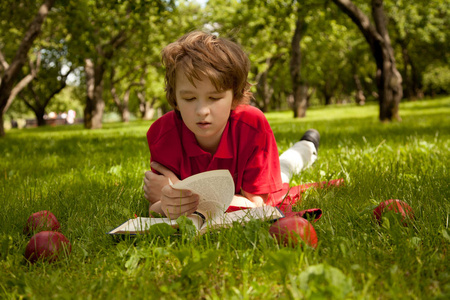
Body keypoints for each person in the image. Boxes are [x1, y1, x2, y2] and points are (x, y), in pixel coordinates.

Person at [143, 31, 320, 219]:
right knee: (285, 165)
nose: (202, 110)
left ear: (235, 98)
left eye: (214, 97)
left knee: (285, 168)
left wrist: (182, 191)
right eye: (189, 98)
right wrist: (165, 203)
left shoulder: (253, 126)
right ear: (175, 99)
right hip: (238, 194)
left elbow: (256, 205)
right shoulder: (162, 134)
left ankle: (307, 146)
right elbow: (157, 204)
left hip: (254, 188)